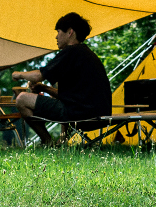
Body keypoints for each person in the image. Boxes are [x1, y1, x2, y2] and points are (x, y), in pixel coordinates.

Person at [12, 12, 111, 145]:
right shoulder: (87, 54)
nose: (56, 37)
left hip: (79, 114)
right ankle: (61, 141)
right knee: (60, 101)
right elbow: (71, 96)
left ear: (70, 32)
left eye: (59, 32)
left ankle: (47, 141)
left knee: (22, 99)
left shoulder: (70, 52)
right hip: (97, 114)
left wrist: (18, 74)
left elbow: (38, 75)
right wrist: (44, 88)